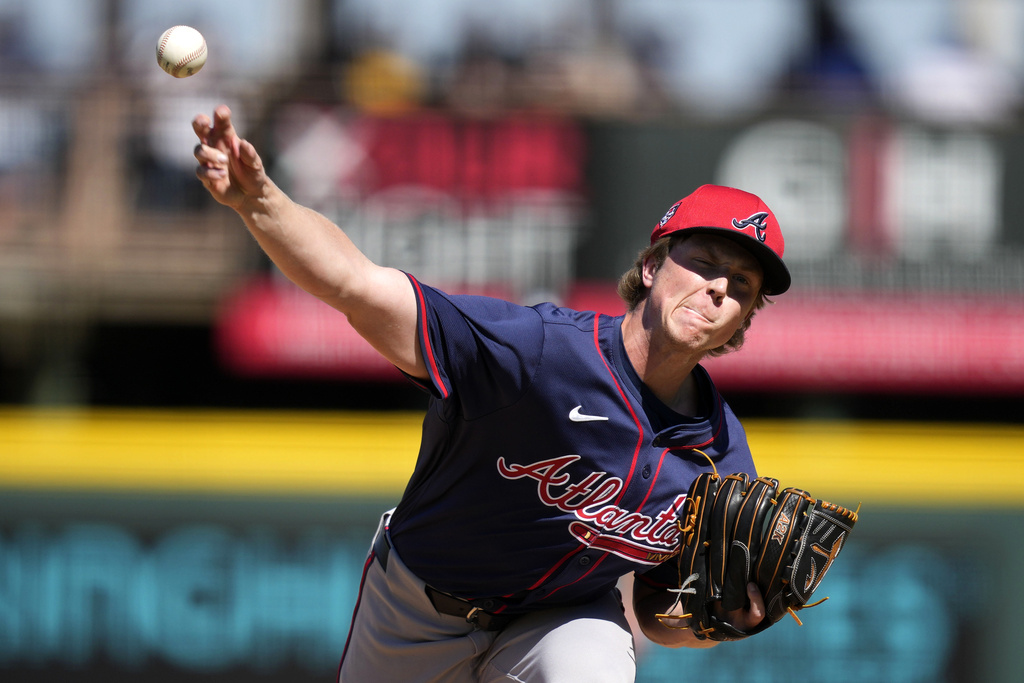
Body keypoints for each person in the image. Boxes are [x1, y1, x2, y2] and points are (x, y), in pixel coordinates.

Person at [192, 105, 792, 682]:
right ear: (650, 268)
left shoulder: (720, 451)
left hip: (563, 618)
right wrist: (260, 203)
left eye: (741, 284)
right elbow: (358, 286)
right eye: (704, 261)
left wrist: (723, 622)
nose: (718, 287)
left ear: (743, 321)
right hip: (418, 608)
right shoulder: (539, 352)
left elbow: (664, 619)